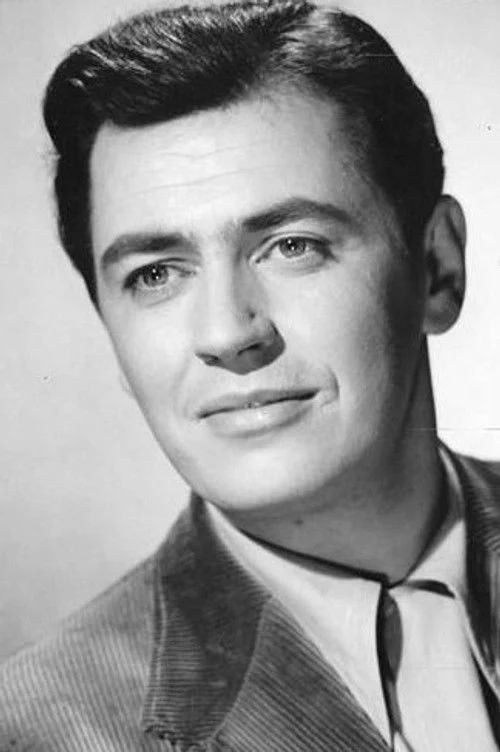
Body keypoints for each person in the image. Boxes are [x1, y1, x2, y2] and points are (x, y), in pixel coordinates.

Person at [1, 0, 499, 749]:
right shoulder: (40, 731)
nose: (229, 333)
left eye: (292, 246)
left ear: (436, 267)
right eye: (156, 274)